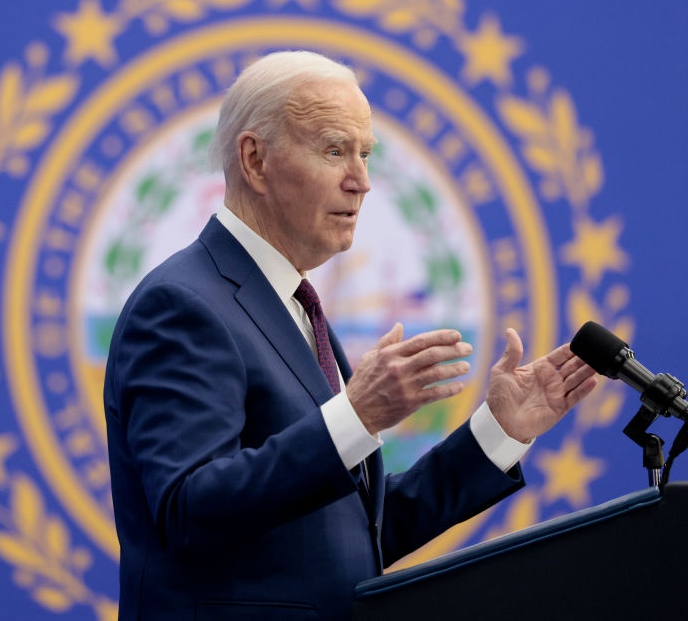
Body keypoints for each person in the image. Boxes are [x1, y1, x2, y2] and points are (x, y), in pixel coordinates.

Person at [103, 50, 597, 620]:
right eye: (335, 151)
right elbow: (191, 513)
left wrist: (498, 433)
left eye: (365, 154)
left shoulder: (291, 304)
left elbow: (355, 535)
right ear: (255, 160)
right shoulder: (183, 305)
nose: (361, 181)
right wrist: (356, 416)